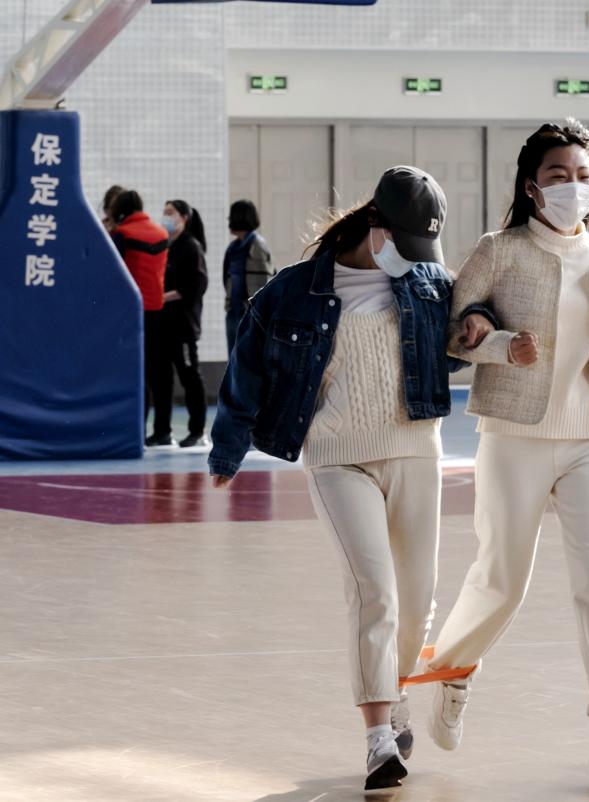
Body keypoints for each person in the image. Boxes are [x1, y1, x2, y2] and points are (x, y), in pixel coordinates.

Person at [208, 167, 496, 791]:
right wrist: (228, 448)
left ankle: (394, 691)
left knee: (416, 602)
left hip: (415, 450)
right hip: (337, 457)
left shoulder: (428, 282)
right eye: (405, 244)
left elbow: (463, 333)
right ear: (375, 227)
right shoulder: (293, 290)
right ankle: (378, 739)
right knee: (374, 591)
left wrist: (477, 324)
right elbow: (246, 366)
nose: (413, 258)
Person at [425, 119, 589, 776]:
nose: (573, 186)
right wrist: (499, 344)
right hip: (515, 435)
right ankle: (453, 671)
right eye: (558, 175)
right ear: (532, 187)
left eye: (583, 175)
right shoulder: (500, 250)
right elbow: (452, 335)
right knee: (502, 580)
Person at [109, 190, 170, 446]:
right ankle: (163, 430)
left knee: (134, 372)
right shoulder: (162, 234)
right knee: (158, 373)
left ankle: (136, 429)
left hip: (130, 311)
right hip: (157, 308)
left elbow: (112, 271)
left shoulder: (122, 234)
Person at [151, 200, 210, 448]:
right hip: (162, 324)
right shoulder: (167, 245)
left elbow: (196, 285)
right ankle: (161, 431)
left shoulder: (191, 247)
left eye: (170, 213)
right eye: (164, 212)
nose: (165, 217)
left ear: (184, 217)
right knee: (160, 379)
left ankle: (197, 430)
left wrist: (166, 297)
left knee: (189, 377)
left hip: (183, 326)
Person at [223, 199, 273, 354]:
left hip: (250, 312)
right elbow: (226, 277)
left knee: (248, 357)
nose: (229, 220)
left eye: (232, 216)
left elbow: (265, 280)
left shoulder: (257, 245)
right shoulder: (234, 247)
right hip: (234, 310)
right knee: (234, 357)